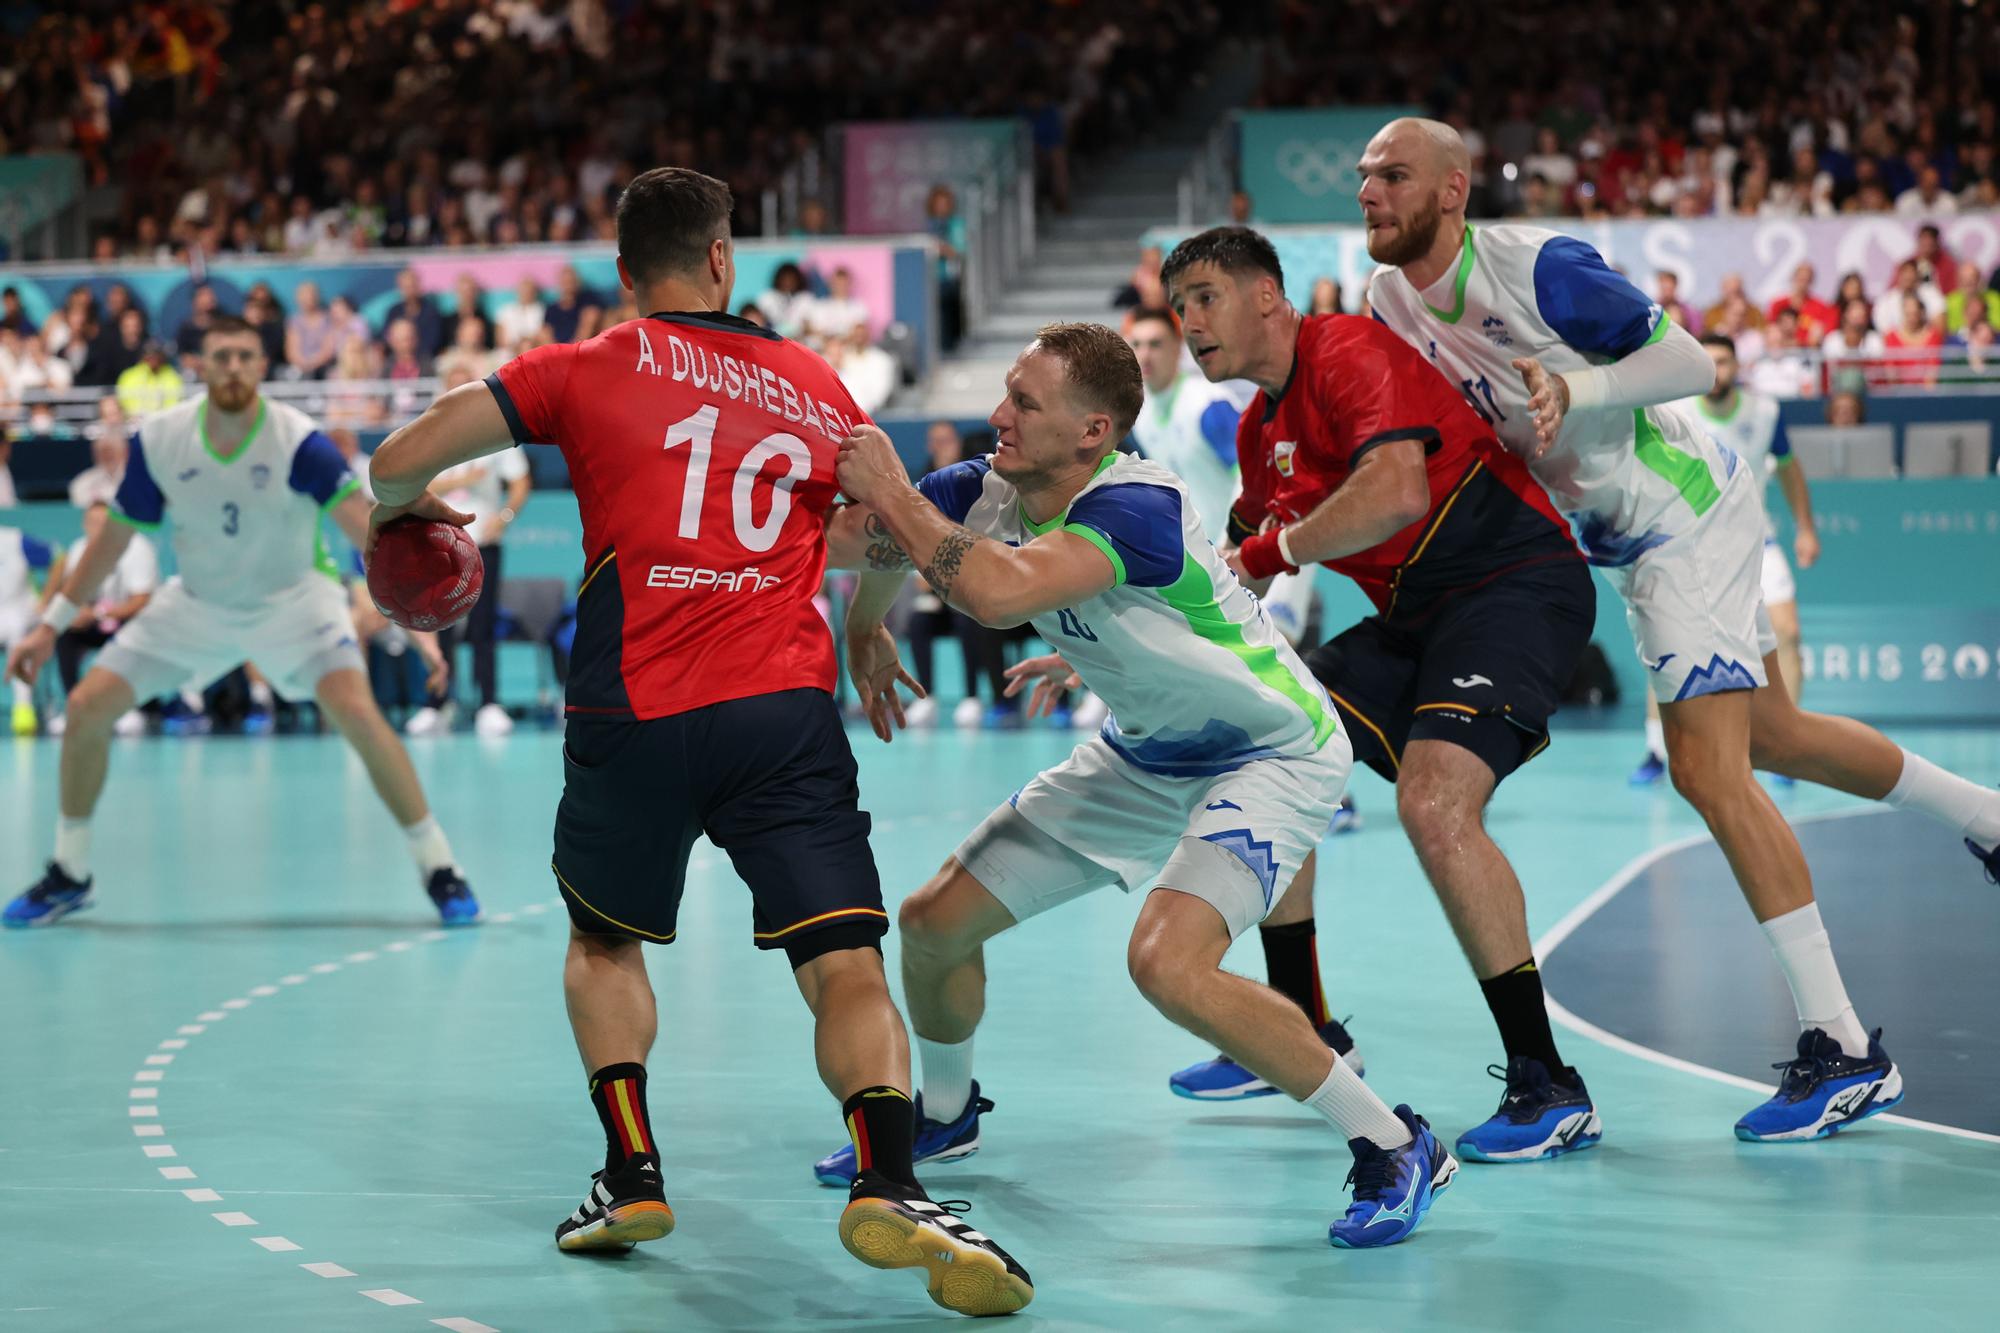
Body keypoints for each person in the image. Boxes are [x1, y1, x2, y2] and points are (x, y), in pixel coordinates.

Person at [360, 167, 1030, 1315]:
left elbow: (397, 456)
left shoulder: (580, 367)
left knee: (604, 944)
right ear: (723, 260)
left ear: (626, 274)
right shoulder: (816, 380)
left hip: (634, 707)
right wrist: (868, 630)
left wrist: (404, 516)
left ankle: (630, 1174)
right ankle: (889, 1179)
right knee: (844, 965)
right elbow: (878, 519)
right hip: (780, 708)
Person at [1358, 117, 2000, 1142]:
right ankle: (1987, 815)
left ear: (1450, 190)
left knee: (1707, 771)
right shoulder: (1387, 301)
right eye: (1360, 177)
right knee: (1774, 736)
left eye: (1391, 174)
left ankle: (1840, 1048)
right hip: (1622, 529)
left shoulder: (1541, 271)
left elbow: (1691, 363)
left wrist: (1581, 385)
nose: (1368, 191)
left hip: (1680, 511)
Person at [818, 321, 1457, 1249]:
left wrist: (891, 495)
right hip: (1146, 751)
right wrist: (865, 627)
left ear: (1094, 429)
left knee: (1167, 961)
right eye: (1005, 391)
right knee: (932, 924)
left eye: (1025, 403)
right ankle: (947, 1112)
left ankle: (1395, 1141)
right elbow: (880, 539)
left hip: (1271, 750)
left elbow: (992, 591)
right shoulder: (980, 490)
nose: (998, 415)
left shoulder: (1138, 505)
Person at [1161, 225, 1602, 1162]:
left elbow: (1397, 489)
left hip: (1512, 579)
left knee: (1435, 803)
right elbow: (1219, 574)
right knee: (1267, 738)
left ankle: (1548, 1082)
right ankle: (1304, 1024)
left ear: (1268, 297)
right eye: (1179, 305)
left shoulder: (1345, 349)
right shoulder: (1256, 431)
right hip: (1415, 613)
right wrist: (1108, 641)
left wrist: (1273, 548)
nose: (1189, 321)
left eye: (1205, 296)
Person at [4, 315, 480, 930]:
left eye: (246, 356)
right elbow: (111, 543)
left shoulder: (295, 440)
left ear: (262, 365)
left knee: (359, 714)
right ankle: (69, 872)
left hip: (295, 604)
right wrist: (50, 625)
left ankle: (439, 866)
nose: (233, 367)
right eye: (222, 356)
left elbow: (369, 537)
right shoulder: (161, 441)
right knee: (89, 705)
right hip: (196, 605)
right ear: (200, 365)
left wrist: (419, 638)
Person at [1633, 335, 1818, 784]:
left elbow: (1789, 468)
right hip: (1690, 545)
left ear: (1737, 366)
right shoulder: (1676, 410)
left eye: (1725, 361)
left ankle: (1786, 747)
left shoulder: (1766, 412)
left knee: (1788, 633)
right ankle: (1656, 752)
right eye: (1710, 361)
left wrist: (1806, 527)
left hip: (1758, 542)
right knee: (1664, 641)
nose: (1718, 368)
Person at [403, 443, 531, 738]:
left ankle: (488, 703)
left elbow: (520, 481)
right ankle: (437, 703)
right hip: (439, 543)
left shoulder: (497, 438)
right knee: (439, 623)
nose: (449, 392)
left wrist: (504, 518)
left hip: (483, 544)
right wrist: (463, 480)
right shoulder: (433, 433)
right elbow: (417, 485)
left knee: (482, 625)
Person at [42, 501, 158, 729]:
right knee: (66, 633)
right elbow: (70, 593)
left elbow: (142, 601)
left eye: (103, 523)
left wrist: (100, 613)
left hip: (128, 619)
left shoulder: (137, 547)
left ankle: (127, 707)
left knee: (133, 632)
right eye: (92, 522)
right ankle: (75, 706)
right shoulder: (78, 549)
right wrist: (77, 614)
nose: (97, 528)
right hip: (95, 621)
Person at [2, 522, 60, 734]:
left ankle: (23, 707)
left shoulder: (15, 540)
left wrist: (45, 599)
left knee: (17, 633)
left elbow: (59, 559)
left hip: (20, 612)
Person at [115, 339, 185, 418]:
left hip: (164, 421)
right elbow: (124, 403)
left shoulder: (173, 376)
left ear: (162, 357)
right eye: (149, 355)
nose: (153, 359)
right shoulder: (129, 376)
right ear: (143, 356)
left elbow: (174, 404)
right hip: (135, 421)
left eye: (156, 355)